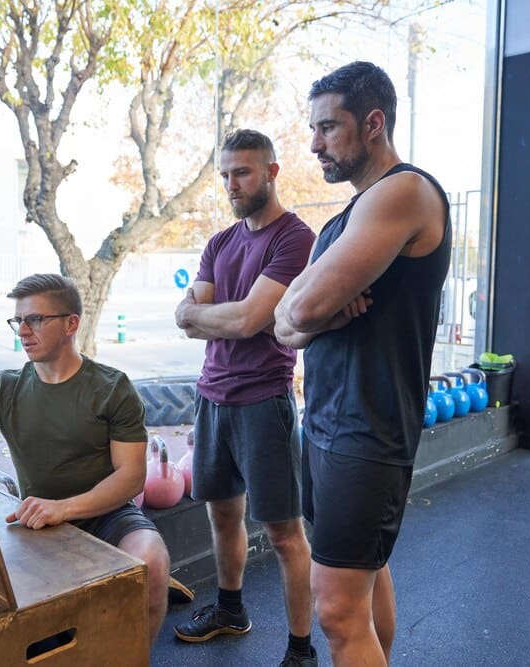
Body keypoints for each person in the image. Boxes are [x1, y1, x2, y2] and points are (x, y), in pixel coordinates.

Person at [274, 61, 451, 666]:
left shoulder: (405, 191)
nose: (314, 144)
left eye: (328, 127)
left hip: (369, 430)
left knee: (336, 610)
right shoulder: (344, 219)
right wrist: (316, 315)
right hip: (327, 423)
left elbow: (300, 307)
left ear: (373, 123)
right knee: (364, 581)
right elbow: (285, 325)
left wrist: (308, 311)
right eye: (313, 128)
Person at [0, 273, 170, 649]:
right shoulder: (5, 387)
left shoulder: (112, 388)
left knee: (151, 560)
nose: (23, 331)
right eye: (18, 321)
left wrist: (64, 508)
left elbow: (131, 477)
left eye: (36, 319)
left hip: (106, 516)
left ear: (71, 324)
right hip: (37, 522)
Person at [173, 129, 319, 667]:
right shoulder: (219, 243)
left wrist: (203, 315)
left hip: (264, 400)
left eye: (242, 173)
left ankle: (301, 649)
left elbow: (248, 319)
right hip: (212, 397)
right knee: (222, 515)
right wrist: (210, 317)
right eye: (225, 175)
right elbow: (194, 320)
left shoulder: (294, 239)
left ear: (271, 172)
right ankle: (230, 610)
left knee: (284, 533)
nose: (232, 185)